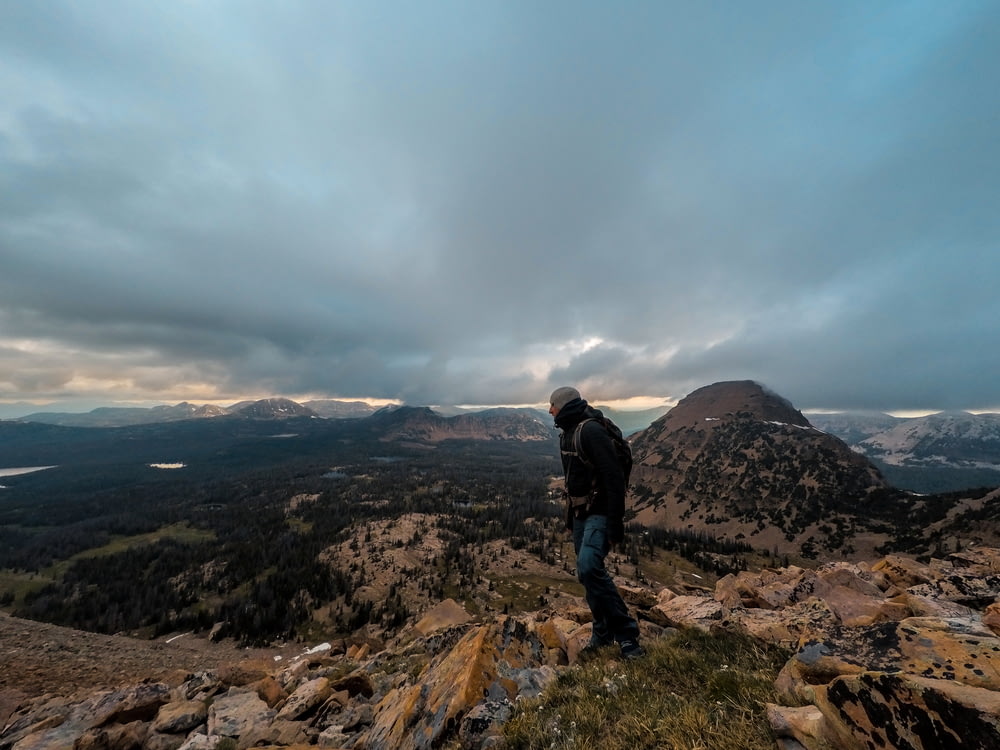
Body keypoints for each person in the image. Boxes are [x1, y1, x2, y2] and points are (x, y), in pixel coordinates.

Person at [549, 386, 644, 660]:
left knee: (589, 566)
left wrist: (615, 524)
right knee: (586, 574)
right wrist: (570, 518)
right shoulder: (567, 433)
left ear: (563, 405)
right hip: (580, 515)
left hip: (600, 512)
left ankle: (627, 636)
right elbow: (572, 481)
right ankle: (602, 634)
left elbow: (613, 478)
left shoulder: (590, 431)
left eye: (552, 405)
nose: (549, 410)